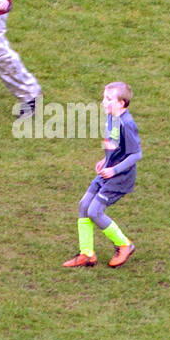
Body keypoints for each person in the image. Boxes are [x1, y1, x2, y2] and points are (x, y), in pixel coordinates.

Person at [63, 82, 140, 269]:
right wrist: (105, 161)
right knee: (83, 205)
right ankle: (87, 254)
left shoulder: (127, 124)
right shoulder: (111, 118)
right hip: (107, 172)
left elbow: (136, 154)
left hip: (119, 177)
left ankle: (124, 244)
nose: (103, 102)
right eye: (103, 97)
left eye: (108, 99)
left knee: (94, 211)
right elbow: (116, 148)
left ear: (122, 103)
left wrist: (113, 169)